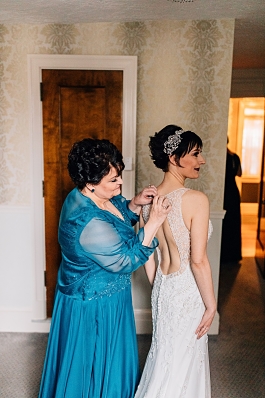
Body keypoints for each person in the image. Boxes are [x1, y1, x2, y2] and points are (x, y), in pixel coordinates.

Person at [38, 138, 171, 398]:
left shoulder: (82, 195)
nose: (120, 183)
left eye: (119, 175)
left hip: (104, 296)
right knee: (92, 369)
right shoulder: (87, 221)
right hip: (94, 306)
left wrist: (134, 203)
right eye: (113, 180)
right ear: (90, 183)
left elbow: (113, 215)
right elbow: (126, 261)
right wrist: (153, 223)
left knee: (109, 365)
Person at [134, 125, 217, 398]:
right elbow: (198, 261)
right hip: (188, 290)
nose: (201, 161)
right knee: (184, 358)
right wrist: (211, 304)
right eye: (195, 154)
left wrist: (158, 283)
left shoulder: (149, 200)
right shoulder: (196, 200)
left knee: (164, 356)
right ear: (173, 158)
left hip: (164, 287)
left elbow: (145, 251)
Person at [220, 142, 242, 263]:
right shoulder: (234, 156)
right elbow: (239, 173)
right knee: (234, 221)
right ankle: (233, 255)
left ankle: (223, 254)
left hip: (223, 190)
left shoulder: (220, 156)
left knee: (226, 222)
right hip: (233, 191)